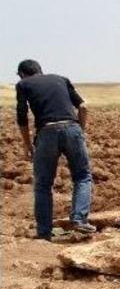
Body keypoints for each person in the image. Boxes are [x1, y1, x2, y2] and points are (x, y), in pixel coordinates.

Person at [15, 59, 96, 240]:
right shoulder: (61, 79)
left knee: (43, 184)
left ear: (22, 74)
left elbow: (22, 116)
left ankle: (44, 232)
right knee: (83, 176)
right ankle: (79, 219)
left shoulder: (23, 84)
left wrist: (27, 144)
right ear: (40, 70)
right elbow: (83, 106)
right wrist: (80, 131)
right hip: (72, 128)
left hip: (47, 132)